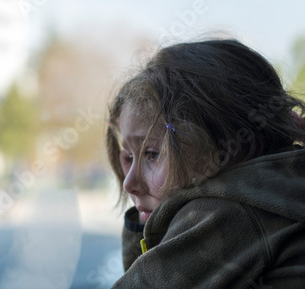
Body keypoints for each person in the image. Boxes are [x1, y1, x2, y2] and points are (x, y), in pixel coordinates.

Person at [106, 39, 305, 288]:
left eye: (152, 154)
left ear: (228, 145)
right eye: (128, 157)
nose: (129, 183)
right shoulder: (270, 191)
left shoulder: (226, 212)